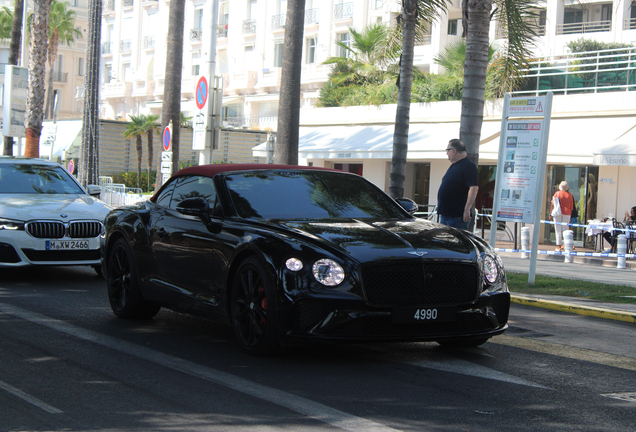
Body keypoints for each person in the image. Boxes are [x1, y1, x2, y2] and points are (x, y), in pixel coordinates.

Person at [437, 139, 479, 230]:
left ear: (454, 151)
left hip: (457, 217)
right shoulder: (454, 165)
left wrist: (467, 209)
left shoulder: (468, 166)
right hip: (446, 215)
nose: (447, 153)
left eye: (447, 150)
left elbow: (474, 188)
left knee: (454, 243)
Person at [549, 181, 574, 252]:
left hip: (557, 213)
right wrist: (570, 217)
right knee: (565, 229)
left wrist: (550, 214)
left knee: (558, 229)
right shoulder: (570, 195)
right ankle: (566, 245)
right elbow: (571, 207)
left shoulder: (557, 194)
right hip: (567, 213)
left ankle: (559, 246)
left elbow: (552, 205)